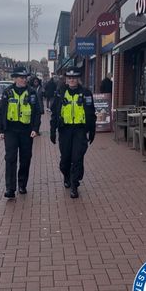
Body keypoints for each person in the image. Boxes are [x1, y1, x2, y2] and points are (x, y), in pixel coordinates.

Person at [50, 66, 96, 199]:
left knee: (77, 158)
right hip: (65, 130)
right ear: (66, 79)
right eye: (69, 78)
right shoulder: (60, 92)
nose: (72, 80)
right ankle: (66, 175)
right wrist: (53, 131)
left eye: (74, 78)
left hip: (80, 130)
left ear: (78, 79)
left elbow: (91, 114)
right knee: (65, 159)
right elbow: (54, 113)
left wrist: (92, 131)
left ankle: (74, 185)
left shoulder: (86, 93)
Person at [0, 66, 41, 198]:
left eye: (25, 78)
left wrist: (35, 129)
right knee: (10, 158)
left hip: (26, 132)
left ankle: (22, 185)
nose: (24, 80)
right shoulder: (8, 92)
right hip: (10, 131)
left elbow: (37, 112)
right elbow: (0, 112)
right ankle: (10, 188)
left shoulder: (32, 92)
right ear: (15, 78)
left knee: (25, 158)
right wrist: (0, 130)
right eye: (21, 78)